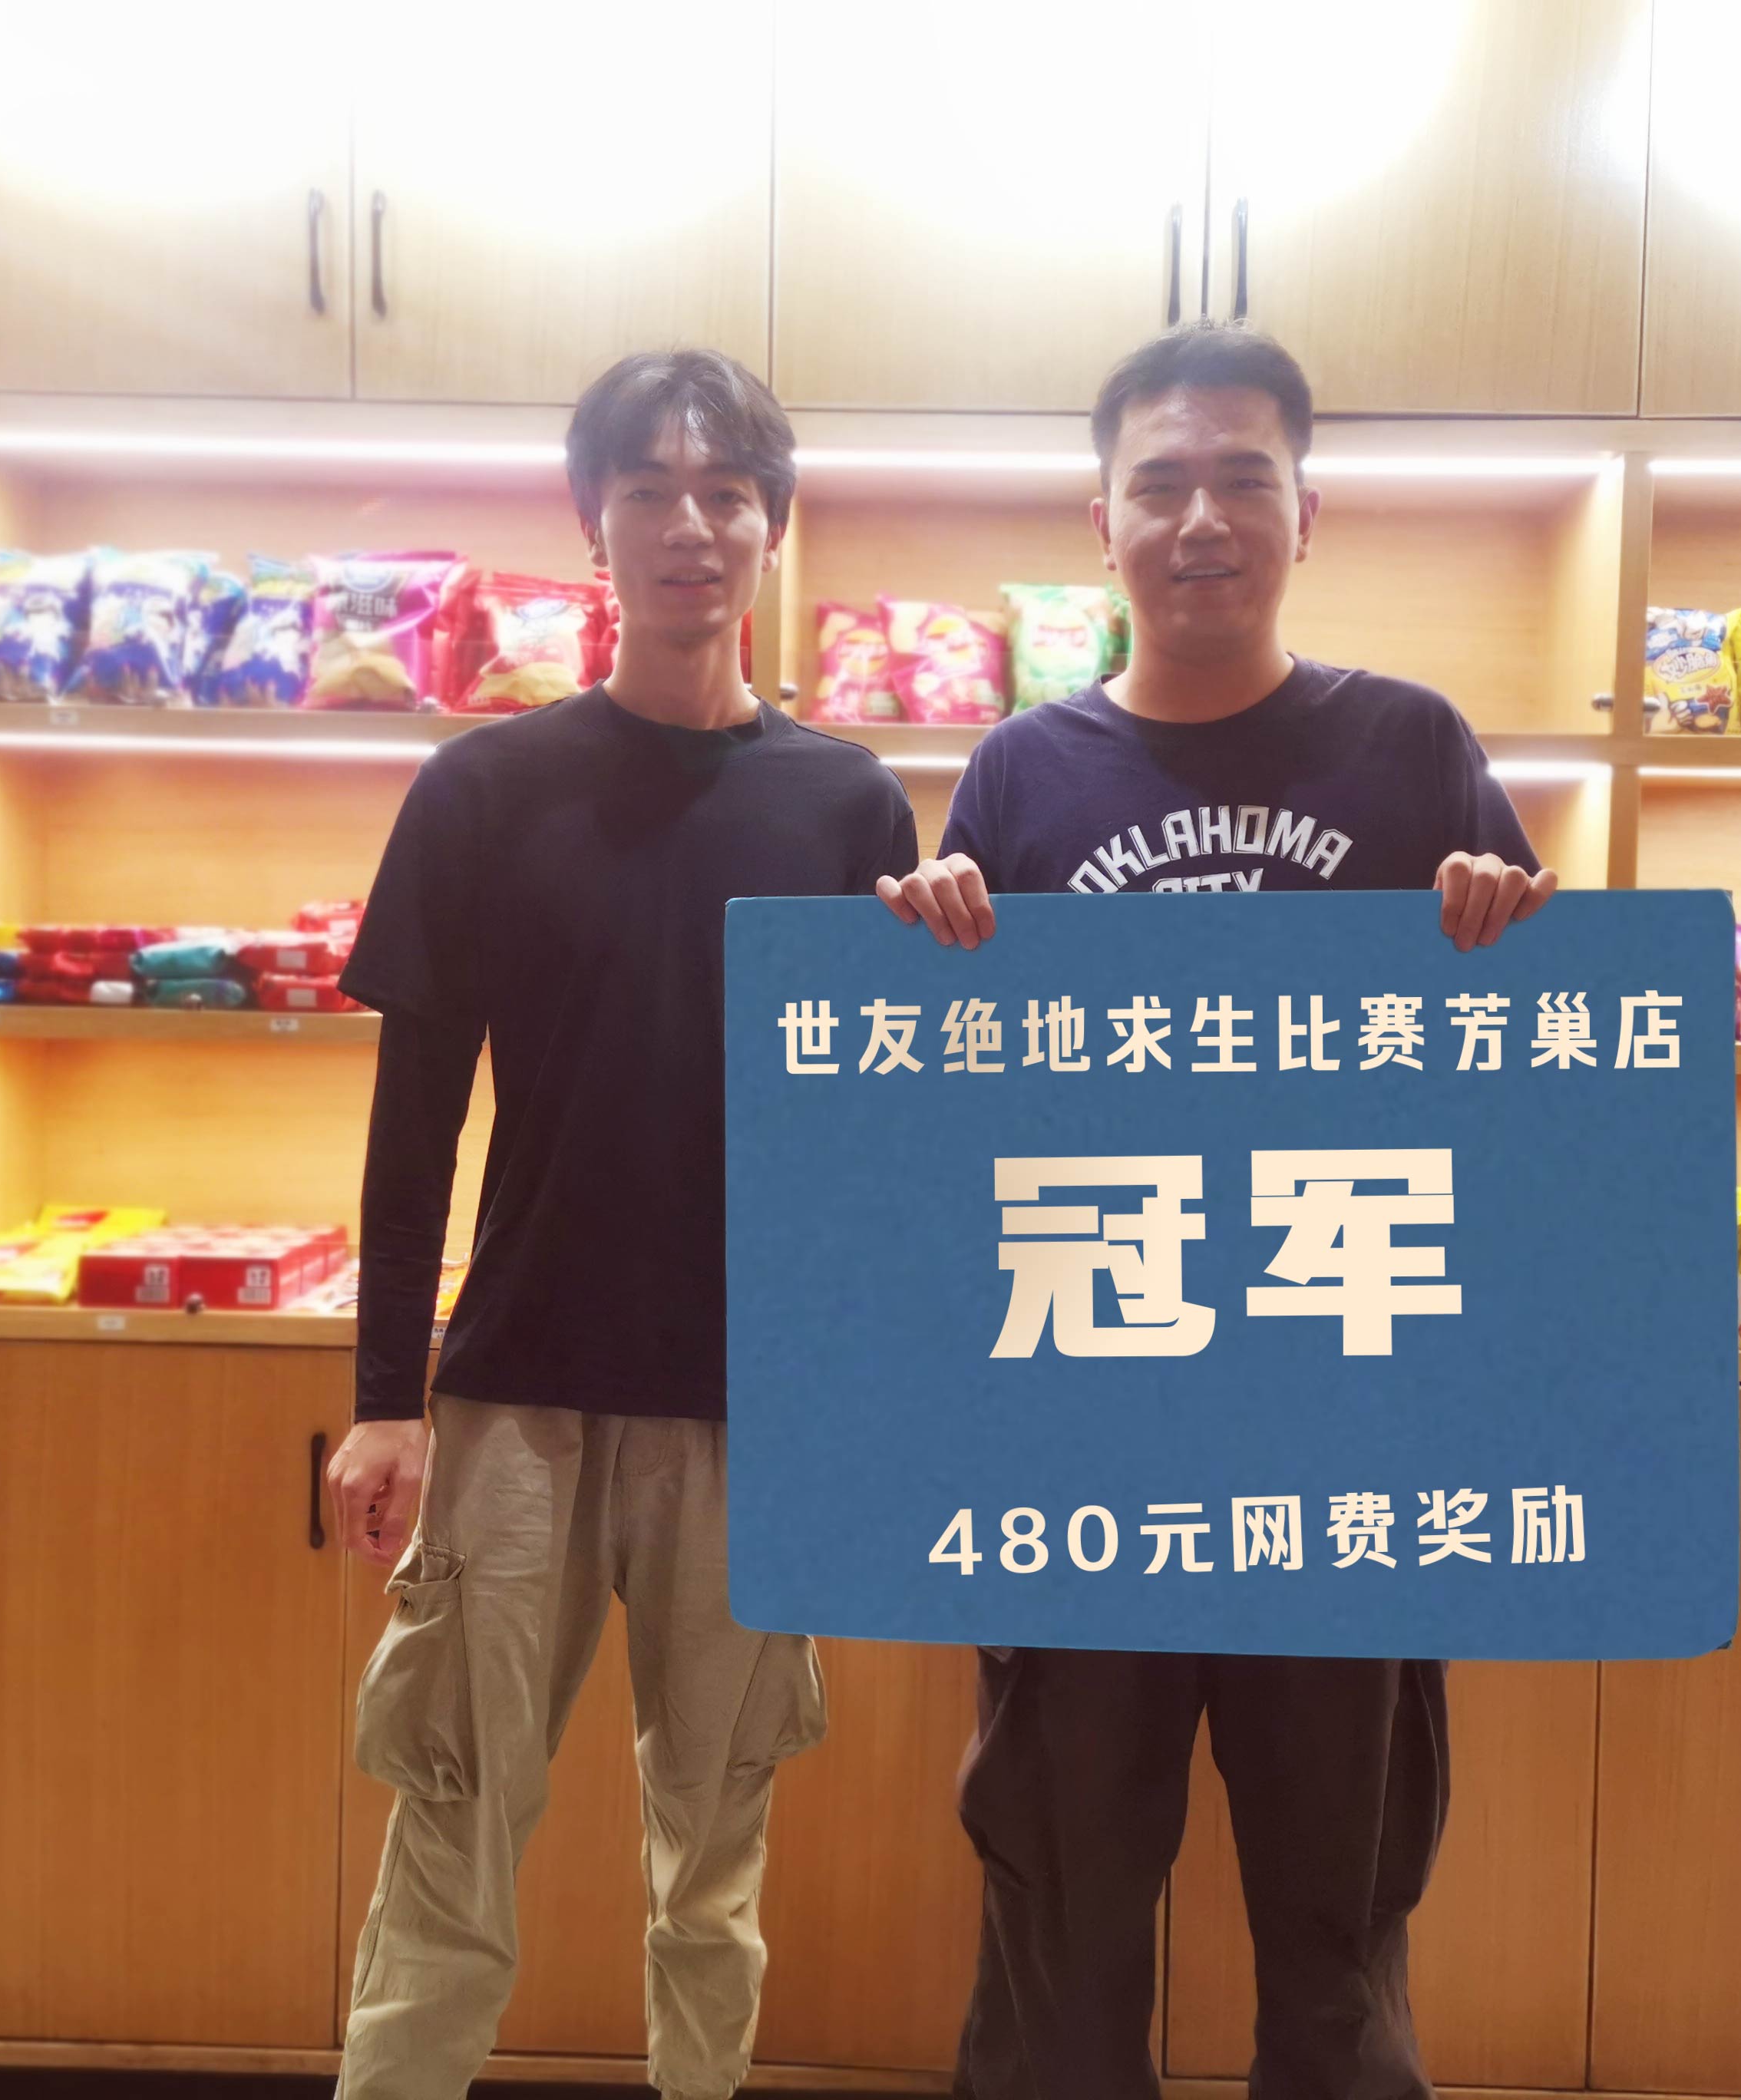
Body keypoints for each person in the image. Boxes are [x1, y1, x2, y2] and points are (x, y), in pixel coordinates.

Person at [878, 322, 1557, 2100]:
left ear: (1305, 513)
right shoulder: (1021, 773)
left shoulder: (1414, 749)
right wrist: (921, 974)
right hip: (1083, 1445)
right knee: (1061, 1938)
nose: (1200, 520)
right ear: (1099, 520)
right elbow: (956, 1139)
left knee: (1340, 1949)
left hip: (1344, 1440)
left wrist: (1507, 940)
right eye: (1160, 484)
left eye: (1243, 480)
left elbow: (1526, 1103)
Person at [327, 348, 920, 2100]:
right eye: (649, 489)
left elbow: (869, 1154)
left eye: (727, 492)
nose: (689, 526)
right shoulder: (482, 790)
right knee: (453, 1834)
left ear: (772, 526)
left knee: (713, 1868)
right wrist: (386, 1398)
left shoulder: (848, 805)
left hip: (752, 1410)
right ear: (593, 520)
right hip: (517, 1395)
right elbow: (413, 1129)